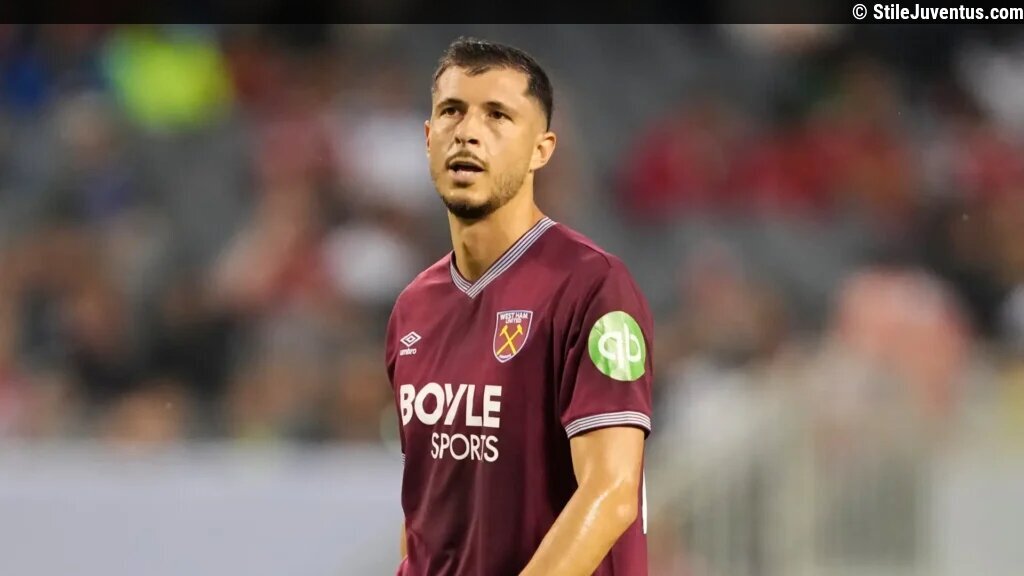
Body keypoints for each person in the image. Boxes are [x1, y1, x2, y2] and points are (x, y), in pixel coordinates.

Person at [385, 36, 654, 576]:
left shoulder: (593, 287)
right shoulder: (413, 308)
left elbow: (612, 491)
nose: (468, 131)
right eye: (452, 111)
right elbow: (427, 504)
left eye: (497, 115)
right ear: (429, 137)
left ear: (542, 150)